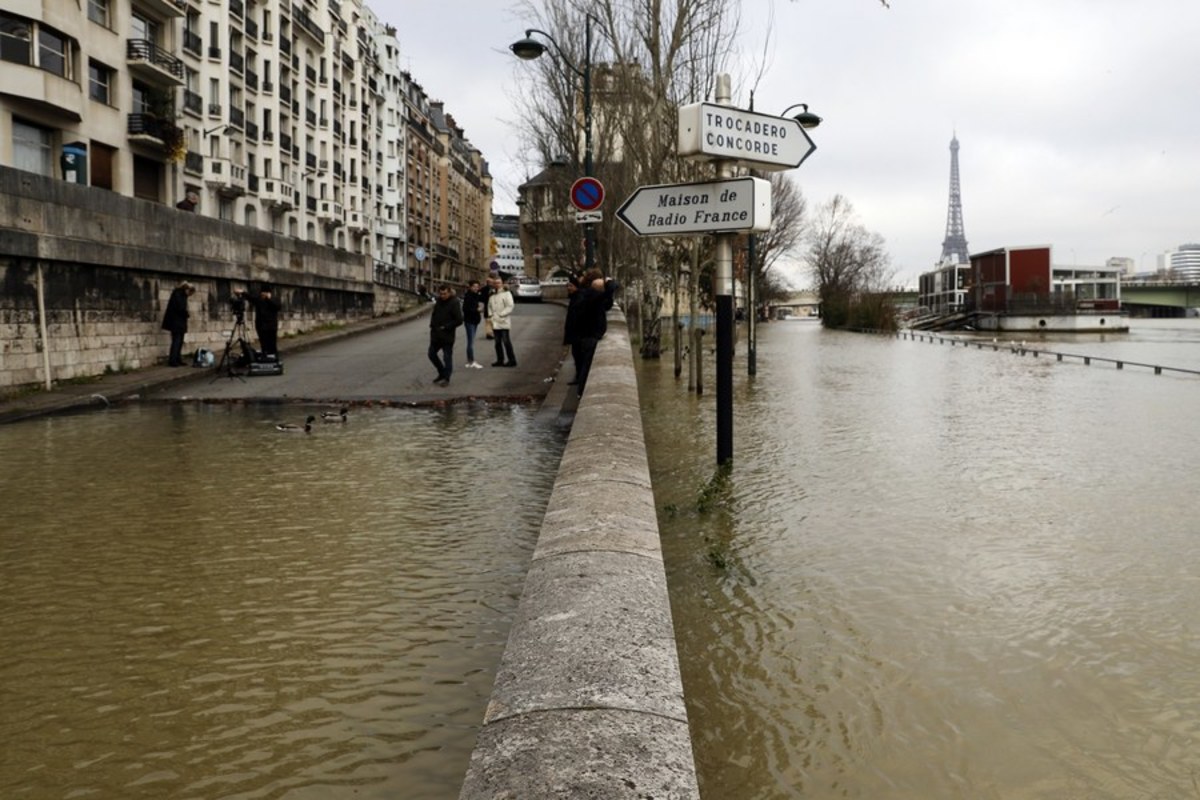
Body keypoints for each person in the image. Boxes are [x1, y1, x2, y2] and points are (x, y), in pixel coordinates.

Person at [571, 269, 619, 396]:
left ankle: (580, 392)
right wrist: (607, 282)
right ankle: (581, 393)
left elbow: (607, 303)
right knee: (586, 368)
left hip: (586, 336)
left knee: (584, 367)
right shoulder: (591, 295)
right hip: (589, 337)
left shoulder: (588, 295)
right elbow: (612, 287)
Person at [428, 284, 463, 385]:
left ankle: (446, 378)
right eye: (441, 294)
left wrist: (446, 327)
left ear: (449, 292)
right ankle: (442, 373)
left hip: (447, 335)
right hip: (436, 334)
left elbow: (459, 320)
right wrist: (432, 326)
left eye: (445, 294)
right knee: (431, 354)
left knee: (447, 357)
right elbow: (434, 314)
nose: (443, 296)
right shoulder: (439, 301)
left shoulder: (454, 302)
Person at [161, 280, 195, 366]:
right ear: (187, 290)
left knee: (179, 341)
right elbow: (180, 308)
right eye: (190, 293)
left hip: (179, 322)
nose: (189, 295)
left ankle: (177, 359)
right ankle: (173, 360)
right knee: (176, 341)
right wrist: (187, 314)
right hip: (176, 322)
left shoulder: (181, 295)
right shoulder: (178, 294)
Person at [244, 284, 282, 358]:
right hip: (261, 326)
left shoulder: (275, 299)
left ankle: (273, 358)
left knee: (272, 344)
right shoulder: (259, 300)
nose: (263, 295)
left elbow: (277, 307)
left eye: (265, 293)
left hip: (271, 326)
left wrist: (268, 299)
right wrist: (242, 292)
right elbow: (251, 298)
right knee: (264, 344)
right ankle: (265, 357)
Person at [487, 275, 516, 367]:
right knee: (497, 342)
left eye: (499, 283)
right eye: (495, 283)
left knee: (506, 341)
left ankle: (512, 360)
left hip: (503, 321)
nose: (497, 285)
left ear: (502, 283)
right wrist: (491, 315)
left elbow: (510, 306)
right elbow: (489, 306)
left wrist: (501, 314)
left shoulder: (507, 293)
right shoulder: (492, 295)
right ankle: (500, 360)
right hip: (495, 321)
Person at [461, 279, 485, 368]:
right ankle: (471, 361)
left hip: (475, 321)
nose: (476, 288)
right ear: (470, 287)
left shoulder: (476, 295)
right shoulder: (468, 296)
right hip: (469, 321)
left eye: (477, 287)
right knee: (470, 342)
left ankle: (470, 360)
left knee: (471, 341)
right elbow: (465, 309)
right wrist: (477, 310)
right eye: (474, 287)